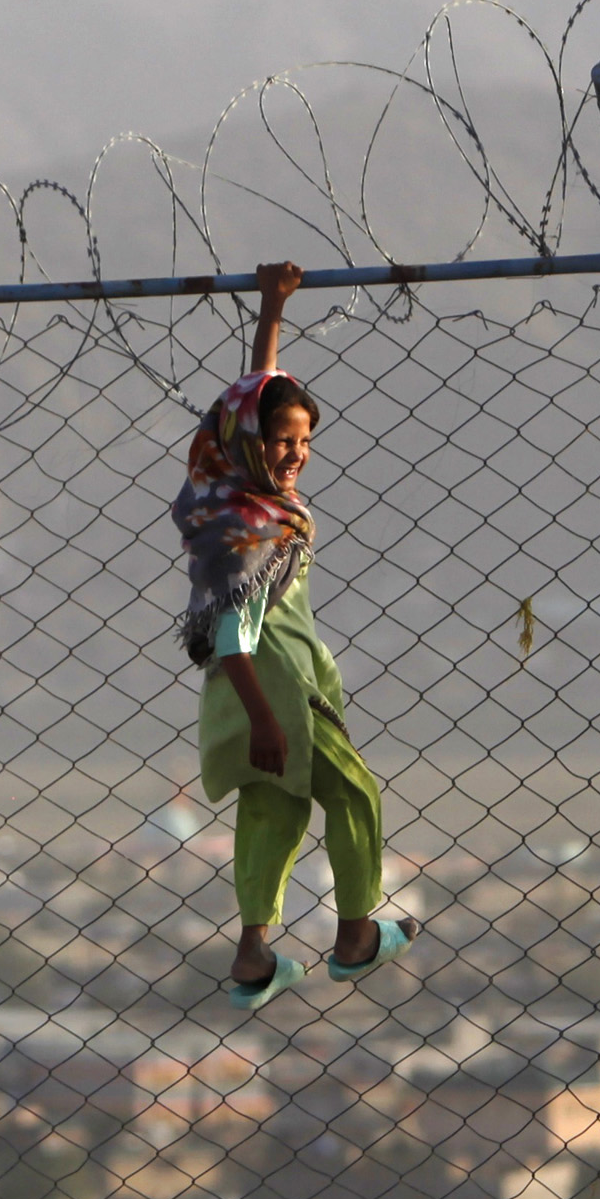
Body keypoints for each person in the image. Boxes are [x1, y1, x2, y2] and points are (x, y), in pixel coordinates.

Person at [175, 259, 419, 1010]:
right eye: (283, 440)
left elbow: (259, 388)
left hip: (249, 691)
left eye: (305, 440)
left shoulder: (226, 501)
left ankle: (253, 953)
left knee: (273, 809)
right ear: (252, 440)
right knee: (354, 792)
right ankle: (354, 931)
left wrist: (271, 307)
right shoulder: (251, 532)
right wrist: (265, 717)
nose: (295, 452)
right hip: (275, 683)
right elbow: (232, 634)